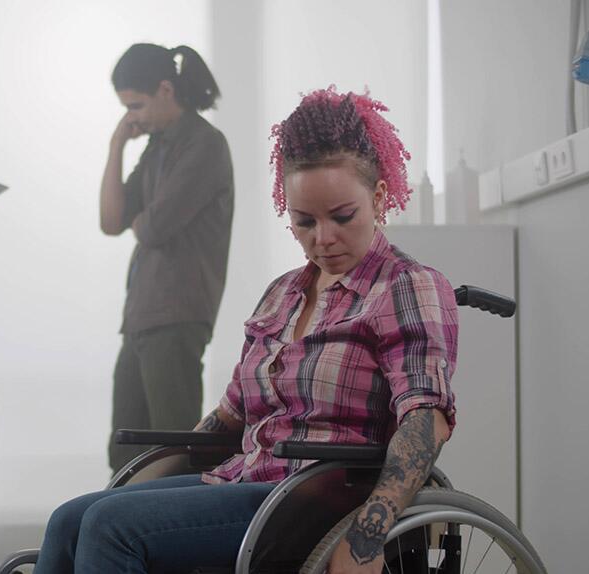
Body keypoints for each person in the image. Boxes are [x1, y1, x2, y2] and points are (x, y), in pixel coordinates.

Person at [35, 86, 459, 574]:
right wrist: (147, 477)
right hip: (247, 481)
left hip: (315, 499)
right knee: (71, 519)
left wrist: (369, 530)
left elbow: (426, 419)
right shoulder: (284, 293)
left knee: (111, 526)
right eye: (304, 222)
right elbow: (231, 415)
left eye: (343, 217)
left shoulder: (407, 287)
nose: (322, 238)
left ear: (379, 197)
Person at [100, 43, 235, 473]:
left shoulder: (205, 144)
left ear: (164, 89)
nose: (132, 117)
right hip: (140, 316)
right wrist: (117, 143)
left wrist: (143, 220)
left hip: (176, 316)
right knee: (125, 449)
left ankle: (167, 536)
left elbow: (154, 226)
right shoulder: (155, 147)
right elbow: (112, 220)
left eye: (136, 106)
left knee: (173, 451)